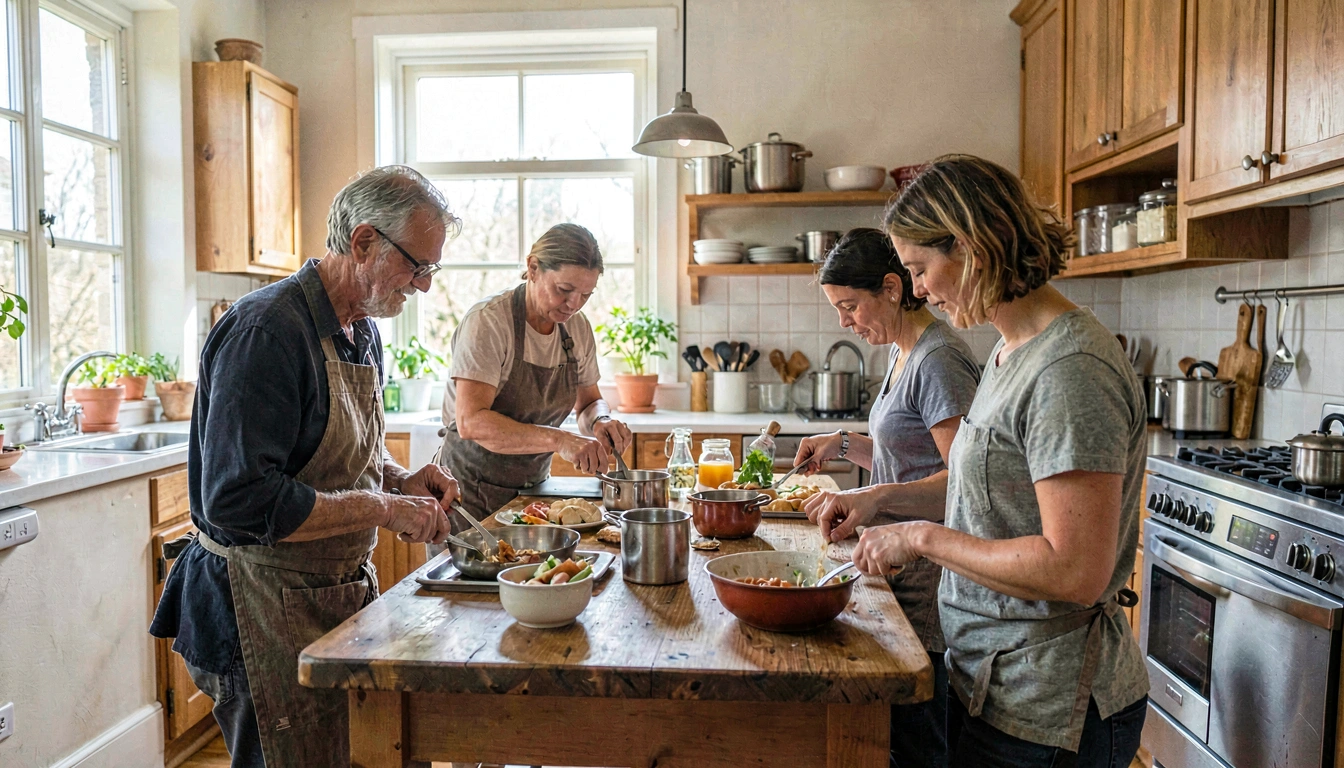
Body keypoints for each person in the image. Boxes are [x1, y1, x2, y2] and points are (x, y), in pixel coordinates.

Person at [150, 166, 463, 767]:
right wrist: (383, 506)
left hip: (326, 595)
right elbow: (239, 501)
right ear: (364, 241)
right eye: (416, 266)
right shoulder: (266, 332)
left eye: (433, 270)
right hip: (254, 608)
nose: (423, 286)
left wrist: (400, 479)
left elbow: (349, 449)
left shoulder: (361, 331)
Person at [851, 154, 1148, 766]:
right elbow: (976, 488)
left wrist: (922, 539)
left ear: (969, 246)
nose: (920, 290)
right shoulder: (1009, 352)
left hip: (1050, 705)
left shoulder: (1069, 370)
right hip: (992, 681)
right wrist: (880, 502)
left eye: (921, 268)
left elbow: (1075, 570)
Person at [792, 227, 979, 768]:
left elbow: (966, 484)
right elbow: (909, 457)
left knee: (920, 749)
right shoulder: (902, 352)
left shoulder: (938, 360)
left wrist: (875, 498)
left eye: (850, 306)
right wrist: (846, 444)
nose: (845, 322)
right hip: (895, 572)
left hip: (930, 588)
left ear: (893, 289)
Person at [439, 222, 633, 524]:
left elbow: (588, 402)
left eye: (586, 295)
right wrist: (559, 440)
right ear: (533, 268)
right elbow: (471, 421)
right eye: (564, 290)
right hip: (468, 495)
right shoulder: (489, 322)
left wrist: (601, 421)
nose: (574, 305)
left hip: (533, 493)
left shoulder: (576, 328)